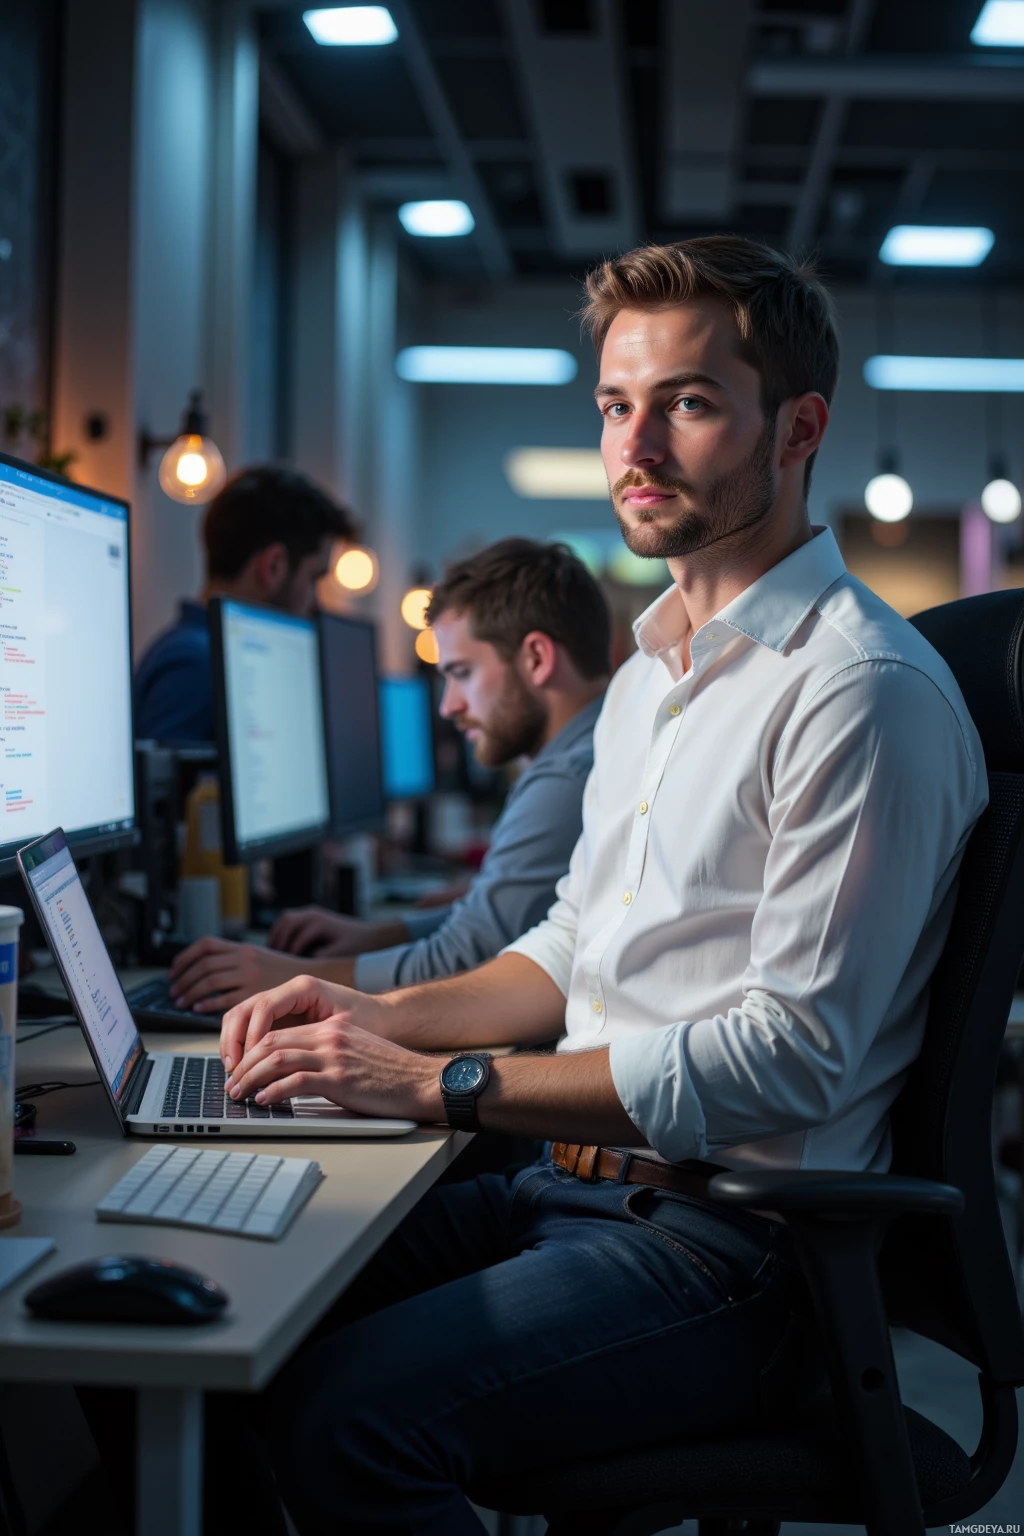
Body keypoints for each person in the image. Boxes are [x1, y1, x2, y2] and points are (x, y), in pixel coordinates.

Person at [214, 236, 987, 1535]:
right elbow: (569, 952)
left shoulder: (857, 692)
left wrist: (441, 1087)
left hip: (732, 1245)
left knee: (347, 1418)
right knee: (244, 1295)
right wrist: (350, 1017)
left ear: (799, 427)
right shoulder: (649, 680)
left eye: (686, 403)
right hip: (571, 1189)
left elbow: (789, 1058)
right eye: (617, 406)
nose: (634, 446)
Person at [166, 538, 610, 1011]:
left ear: (537, 658)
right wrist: (377, 934)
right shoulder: (592, 752)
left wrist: (290, 976)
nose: (448, 706)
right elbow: (494, 923)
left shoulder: (568, 778)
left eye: (461, 672)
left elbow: (467, 956)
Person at [134, 465, 356, 743]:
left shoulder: (209, 652)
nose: (315, 603)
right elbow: (165, 787)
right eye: (314, 578)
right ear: (273, 566)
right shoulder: (197, 664)